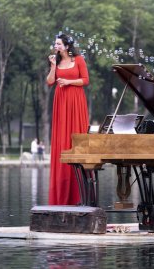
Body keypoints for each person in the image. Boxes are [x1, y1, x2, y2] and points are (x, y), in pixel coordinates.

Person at [46, 33, 89, 205]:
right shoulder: (55, 61)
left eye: (58, 44)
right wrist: (52, 66)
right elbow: (50, 82)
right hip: (61, 102)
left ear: (67, 46)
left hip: (76, 101)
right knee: (62, 141)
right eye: (55, 43)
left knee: (76, 140)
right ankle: (61, 196)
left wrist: (69, 82)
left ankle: (81, 195)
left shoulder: (78, 59)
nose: (56, 46)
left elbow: (86, 80)